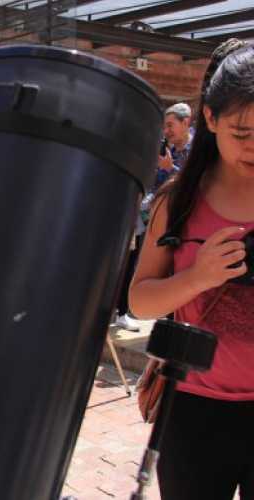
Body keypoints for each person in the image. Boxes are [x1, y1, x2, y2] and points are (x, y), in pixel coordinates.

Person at [129, 44, 254, 500]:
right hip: (194, 410)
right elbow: (139, 302)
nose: (253, 146)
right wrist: (197, 277)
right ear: (211, 118)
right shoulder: (177, 201)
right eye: (242, 132)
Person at [155, 102, 193, 192]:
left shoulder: (197, 151)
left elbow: (195, 185)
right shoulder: (169, 153)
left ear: (185, 123)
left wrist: (170, 169)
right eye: (164, 127)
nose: (166, 131)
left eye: (170, 125)